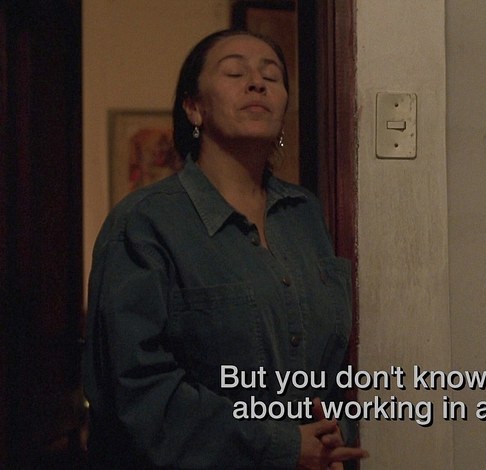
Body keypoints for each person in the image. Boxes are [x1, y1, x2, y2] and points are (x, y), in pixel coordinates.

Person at [82, 29, 368, 469]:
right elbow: (137, 391)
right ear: (194, 107)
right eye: (235, 72)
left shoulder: (304, 212)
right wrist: (283, 445)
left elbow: (332, 364)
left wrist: (333, 433)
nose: (257, 83)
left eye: (271, 76)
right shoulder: (145, 223)